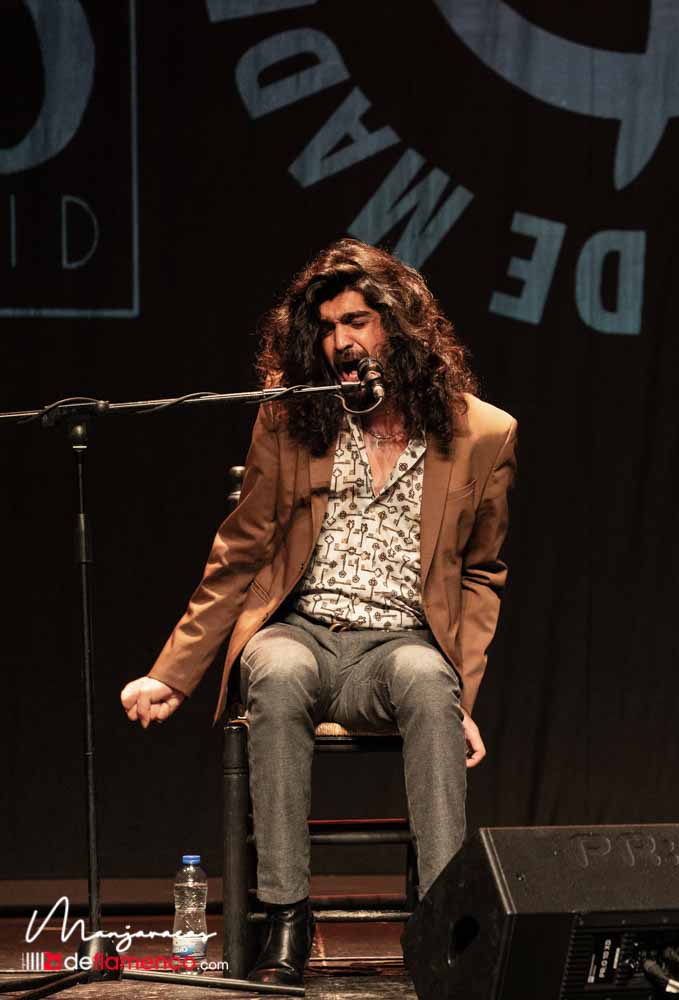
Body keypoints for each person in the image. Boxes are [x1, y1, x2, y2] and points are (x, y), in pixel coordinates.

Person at [118, 238, 518, 987]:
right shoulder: (291, 418)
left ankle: (445, 922)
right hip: (301, 632)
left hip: (401, 644)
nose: (342, 341)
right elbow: (240, 550)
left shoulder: (483, 435)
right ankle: (287, 920)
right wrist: (174, 673)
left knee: (431, 690)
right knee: (270, 668)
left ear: (398, 327)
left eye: (358, 320)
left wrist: (462, 689)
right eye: (329, 326)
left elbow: (482, 574)